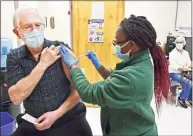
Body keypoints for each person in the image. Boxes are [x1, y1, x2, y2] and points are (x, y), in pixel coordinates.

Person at [60, 15, 171, 136]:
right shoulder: (141, 61)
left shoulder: (132, 77)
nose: (115, 46)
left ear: (131, 45)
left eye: (117, 43)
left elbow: (88, 92)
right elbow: (115, 77)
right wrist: (98, 65)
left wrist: (73, 67)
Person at [7, 7, 92, 136]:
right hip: (34, 121)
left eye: (38, 25)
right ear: (17, 32)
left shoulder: (60, 50)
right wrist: (43, 64)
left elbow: (80, 90)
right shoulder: (14, 57)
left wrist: (56, 115)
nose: (35, 30)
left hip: (67, 117)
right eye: (28, 27)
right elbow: (16, 98)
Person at [169, 36, 192, 108]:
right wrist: (181, 68)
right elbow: (173, 65)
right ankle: (182, 98)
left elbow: (189, 62)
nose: (179, 44)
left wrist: (187, 67)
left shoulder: (186, 53)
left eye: (180, 42)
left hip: (183, 72)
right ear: (175, 43)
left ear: (184, 43)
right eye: (177, 42)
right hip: (173, 73)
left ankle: (190, 98)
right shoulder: (172, 53)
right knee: (188, 82)